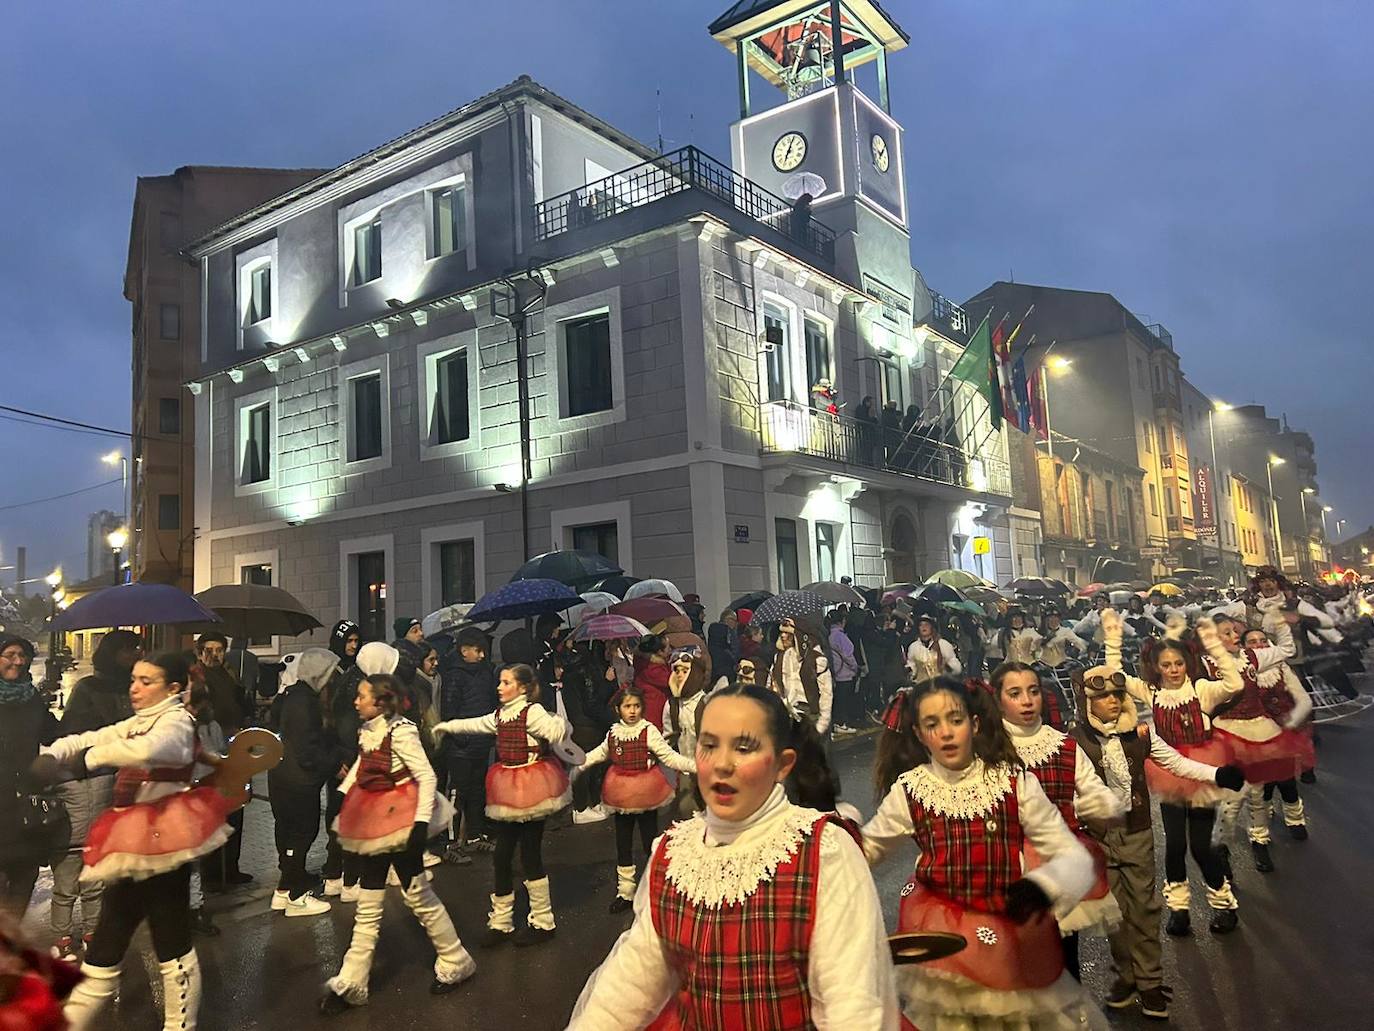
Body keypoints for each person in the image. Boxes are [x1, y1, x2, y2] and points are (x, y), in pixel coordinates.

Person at [567, 682, 899, 1029]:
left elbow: (852, 1002)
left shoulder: (822, 850)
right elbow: (634, 978)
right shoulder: (675, 854)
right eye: (709, 746)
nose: (722, 764)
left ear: (783, 764)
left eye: (744, 747)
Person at [864, 676, 1102, 1030]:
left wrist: (1043, 886)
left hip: (1008, 937)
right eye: (932, 724)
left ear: (974, 724)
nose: (946, 733)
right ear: (918, 733)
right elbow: (867, 849)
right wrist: (829, 831)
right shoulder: (911, 789)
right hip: (945, 945)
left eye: (955, 720)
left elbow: (1073, 856)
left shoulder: (1013, 782)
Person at [41, 652, 234, 1031]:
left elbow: (148, 750)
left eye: (147, 681)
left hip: (164, 842)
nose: (135, 687)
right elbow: (100, 733)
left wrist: (88, 760)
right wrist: (55, 751)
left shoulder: (176, 722)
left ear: (173, 689)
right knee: (116, 938)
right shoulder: (146, 719)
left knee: (167, 939)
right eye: (133, 679)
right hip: (137, 841)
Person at [1067, 665, 1241, 1020]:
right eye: (1102, 697)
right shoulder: (1071, 741)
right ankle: (1125, 976)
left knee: (1145, 908)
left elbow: (1175, 762)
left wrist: (1216, 773)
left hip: (1136, 832)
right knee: (1113, 913)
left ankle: (1149, 982)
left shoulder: (1141, 734)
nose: (1113, 702)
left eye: (1117, 695)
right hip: (1097, 838)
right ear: (1086, 702)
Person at [320, 673, 475, 1015]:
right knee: (370, 898)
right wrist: (344, 796)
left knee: (417, 892)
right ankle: (352, 979)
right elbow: (363, 762)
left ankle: (455, 957)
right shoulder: (369, 729)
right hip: (373, 815)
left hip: (400, 817)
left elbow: (427, 775)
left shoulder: (401, 731)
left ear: (381, 701)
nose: (355, 701)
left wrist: (419, 824)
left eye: (362, 696)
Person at [1102, 608, 1243, 935]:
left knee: (1201, 846)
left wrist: (1214, 644)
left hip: (1202, 771)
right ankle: (1179, 911)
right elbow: (1115, 675)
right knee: (1175, 846)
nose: (1173, 670)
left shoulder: (1202, 690)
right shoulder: (1152, 692)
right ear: (1156, 667)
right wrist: (1113, 638)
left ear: (1187, 664)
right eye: (1166, 665)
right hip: (1168, 771)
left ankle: (1223, 906)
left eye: (1178, 664)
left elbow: (1234, 683)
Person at [992, 662, 1125, 981]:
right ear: (998, 700)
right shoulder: (989, 750)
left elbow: (1090, 786)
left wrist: (1102, 803)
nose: (1026, 701)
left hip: (1062, 862)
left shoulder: (1063, 745)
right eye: (1015, 693)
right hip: (1010, 865)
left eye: (1033, 691)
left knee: (1066, 959)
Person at [433, 664, 572, 946]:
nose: (499, 687)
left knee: (530, 855)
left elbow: (557, 731)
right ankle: (501, 921)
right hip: (507, 787)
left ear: (521, 687)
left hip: (532, 787)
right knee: (502, 855)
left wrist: (555, 724)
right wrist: (447, 726)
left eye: (506, 682)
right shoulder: (500, 715)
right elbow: (475, 723)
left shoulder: (531, 712)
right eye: (500, 681)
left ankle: (543, 921)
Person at [47, 630, 141, 960]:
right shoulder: (89, 688)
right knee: (78, 864)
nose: (133, 655)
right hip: (95, 776)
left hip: (125, 775)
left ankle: (97, 922)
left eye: (136, 649)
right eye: (128, 649)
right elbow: (74, 732)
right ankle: (67, 933)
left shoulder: (135, 687)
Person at [578, 685, 695, 913]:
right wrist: (578, 764)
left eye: (636, 706)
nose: (632, 711)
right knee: (622, 842)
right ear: (618, 709)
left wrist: (695, 766)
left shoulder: (648, 730)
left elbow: (669, 757)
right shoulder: (613, 733)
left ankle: (654, 887)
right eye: (627, 706)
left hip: (646, 792)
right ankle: (626, 891)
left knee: (650, 840)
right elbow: (599, 753)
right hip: (621, 795)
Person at [1209, 614, 1308, 873]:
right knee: (1231, 796)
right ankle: (1220, 847)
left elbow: (1286, 649)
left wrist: (1280, 620)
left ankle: (1259, 840)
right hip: (1227, 733)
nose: (1234, 638)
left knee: (1257, 793)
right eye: (1227, 633)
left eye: (1234, 632)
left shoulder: (1250, 658)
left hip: (1258, 729)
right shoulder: (1205, 664)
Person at [268, 648, 344, 918]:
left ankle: (284, 891)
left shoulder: (291, 696)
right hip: (297, 779)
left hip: (283, 776)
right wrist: (335, 761)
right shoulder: (305, 702)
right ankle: (294, 895)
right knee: (300, 834)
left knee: (290, 834)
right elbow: (308, 750)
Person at [0, 636, 59, 920]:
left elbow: (53, 733)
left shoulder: (31, 697)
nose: (18, 661)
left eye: (22, 655)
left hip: (25, 801)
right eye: (10, 654)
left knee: (25, 872)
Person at [438, 627, 499, 858]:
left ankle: (474, 835)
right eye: (478, 650)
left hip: (480, 743)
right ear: (464, 651)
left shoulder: (485, 673)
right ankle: (452, 844)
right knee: (458, 792)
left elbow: (489, 703)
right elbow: (449, 709)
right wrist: (461, 737)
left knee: (477, 791)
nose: (482, 655)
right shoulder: (455, 675)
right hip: (461, 747)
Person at [194, 633, 249, 889]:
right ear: (200, 652)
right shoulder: (198, 678)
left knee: (236, 809)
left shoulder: (229, 674)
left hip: (233, 745)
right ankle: (212, 872)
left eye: (219, 650)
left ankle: (231, 867)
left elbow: (237, 705)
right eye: (209, 650)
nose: (214, 655)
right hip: (213, 745)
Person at [321, 620, 364, 900]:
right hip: (338, 752)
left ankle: (342, 870)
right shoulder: (331, 673)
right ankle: (337, 871)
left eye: (356, 640)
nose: (353, 646)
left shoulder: (354, 672)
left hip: (349, 750)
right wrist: (335, 758)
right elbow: (328, 720)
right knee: (338, 810)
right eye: (348, 640)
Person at [769, 618, 833, 736]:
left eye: (787, 633)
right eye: (781, 633)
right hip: (789, 711)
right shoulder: (780, 658)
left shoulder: (817, 659)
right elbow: (773, 683)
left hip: (811, 714)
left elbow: (826, 693)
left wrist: (822, 723)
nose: (783, 636)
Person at [827, 613, 860, 734]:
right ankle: (841, 723)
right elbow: (848, 655)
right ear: (842, 621)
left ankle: (837, 723)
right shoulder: (840, 636)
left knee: (839, 699)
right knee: (844, 700)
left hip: (836, 671)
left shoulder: (830, 635)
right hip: (845, 672)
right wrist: (855, 667)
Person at [632, 635, 672, 730]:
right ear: (659, 652)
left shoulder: (642, 662)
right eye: (668, 648)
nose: (670, 650)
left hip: (646, 706)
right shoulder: (653, 669)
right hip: (654, 711)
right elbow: (671, 681)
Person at [905, 614, 960, 681]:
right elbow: (911, 664)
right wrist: (910, 672)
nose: (923, 627)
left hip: (940, 685)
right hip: (921, 686)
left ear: (932, 627)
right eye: (921, 625)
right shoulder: (913, 647)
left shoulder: (943, 644)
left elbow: (954, 664)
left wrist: (948, 667)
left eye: (926, 625)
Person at [705, 609, 739, 687]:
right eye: (734, 620)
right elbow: (735, 650)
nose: (736, 623)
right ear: (728, 620)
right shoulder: (729, 632)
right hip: (727, 668)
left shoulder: (713, 630)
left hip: (714, 668)